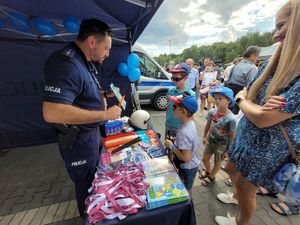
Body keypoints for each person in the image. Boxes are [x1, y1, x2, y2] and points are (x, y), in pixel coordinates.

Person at [215, 1, 300, 224]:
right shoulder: (275, 62)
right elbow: (247, 94)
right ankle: (236, 197)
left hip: (266, 146)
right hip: (247, 135)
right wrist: (249, 102)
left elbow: (262, 119)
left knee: (246, 188)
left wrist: (245, 101)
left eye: (281, 26)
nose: (275, 34)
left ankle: (239, 221)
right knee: (229, 167)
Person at [42, 19, 122, 217]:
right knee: (87, 188)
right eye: (106, 48)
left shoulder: (84, 61)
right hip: (79, 143)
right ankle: (89, 219)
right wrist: (105, 114)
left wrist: (103, 95)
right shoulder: (66, 63)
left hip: (90, 137)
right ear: (92, 42)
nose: (108, 53)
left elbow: (81, 94)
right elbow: (51, 112)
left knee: (95, 182)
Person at [198, 86, 236, 187]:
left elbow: (232, 135)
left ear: (228, 100)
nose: (217, 100)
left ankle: (212, 176)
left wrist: (228, 150)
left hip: (221, 144)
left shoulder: (231, 118)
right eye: (216, 98)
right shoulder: (212, 112)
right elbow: (208, 125)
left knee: (217, 161)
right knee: (205, 159)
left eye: (220, 98)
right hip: (211, 140)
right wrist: (204, 136)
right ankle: (209, 171)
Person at [164, 94, 200, 195]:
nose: (172, 108)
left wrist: (171, 145)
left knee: (186, 189)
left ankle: (188, 204)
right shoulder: (188, 122)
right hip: (190, 163)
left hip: (188, 167)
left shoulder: (185, 132)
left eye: (174, 107)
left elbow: (186, 158)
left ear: (183, 112)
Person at [226, 46, 260, 114]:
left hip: (230, 94)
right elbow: (251, 86)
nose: (257, 59)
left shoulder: (236, 65)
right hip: (240, 95)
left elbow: (229, 80)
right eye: (257, 56)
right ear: (252, 56)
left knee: (228, 115)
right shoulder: (252, 68)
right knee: (236, 117)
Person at [165, 63, 194, 139]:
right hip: (169, 125)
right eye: (173, 78)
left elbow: (191, 115)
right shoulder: (170, 91)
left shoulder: (190, 94)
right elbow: (168, 106)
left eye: (177, 79)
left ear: (186, 77)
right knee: (168, 146)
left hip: (181, 128)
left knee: (178, 149)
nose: (174, 81)